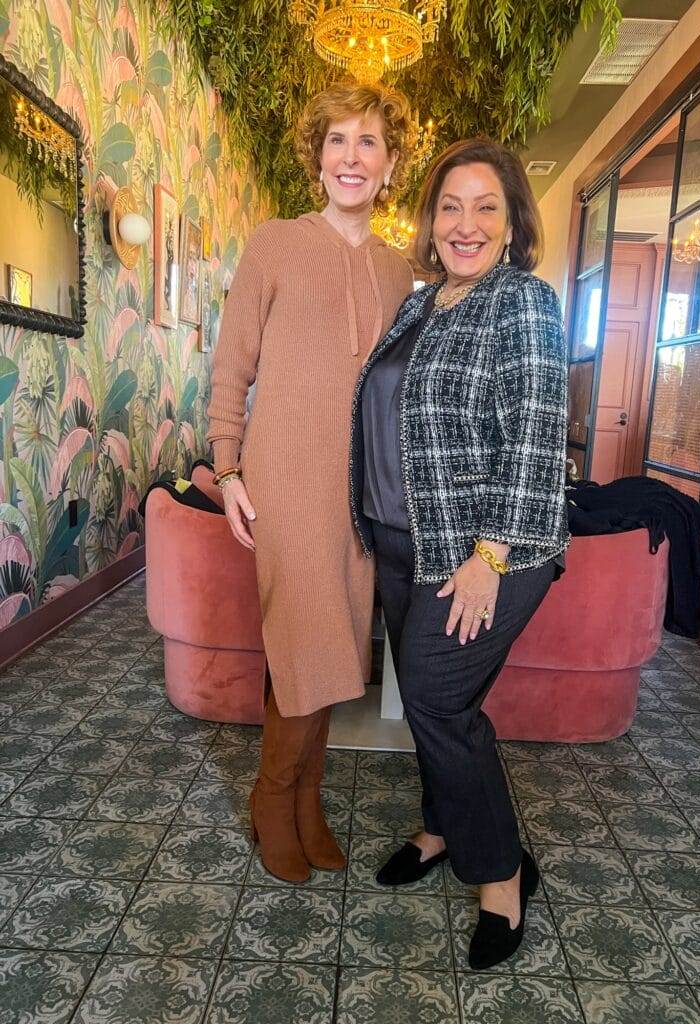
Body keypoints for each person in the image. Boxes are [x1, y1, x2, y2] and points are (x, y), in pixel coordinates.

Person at [350, 137, 569, 969]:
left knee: (440, 704)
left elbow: (537, 440)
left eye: (486, 206)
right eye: (450, 205)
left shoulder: (524, 302)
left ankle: (502, 876)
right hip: (405, 541)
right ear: (430, 220)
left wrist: (491, 554)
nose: (465, 223)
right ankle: (442, 828)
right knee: (428, 701)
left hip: (487, 549)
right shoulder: (420, 304)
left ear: (512, 222)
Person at [206, 83, 413, 883]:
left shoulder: (400, 270)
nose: (351, 157)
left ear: (390, 163)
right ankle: (273, 795)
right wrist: (227, 467)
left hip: (362, 489)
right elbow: (234, 365)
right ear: (317, 157)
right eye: (337, 141)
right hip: (286, 474)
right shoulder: (274, 244)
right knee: (302, 637)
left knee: (334, 647)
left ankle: (308, 796)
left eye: (368, 142)